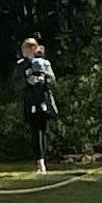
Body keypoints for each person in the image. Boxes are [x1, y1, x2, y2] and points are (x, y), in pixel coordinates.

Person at [16, 35, 62, 173]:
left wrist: (42, 79)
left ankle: (43, 160)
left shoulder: (44, 63)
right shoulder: (21, 65)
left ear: (32, 48)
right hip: (30, 102)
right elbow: (16, 83)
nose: (23, 50)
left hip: (43, 101)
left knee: (43, 131)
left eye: (25, 47)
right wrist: (27, 79)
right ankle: (39, 162)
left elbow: (53, 80)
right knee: (34, 132)